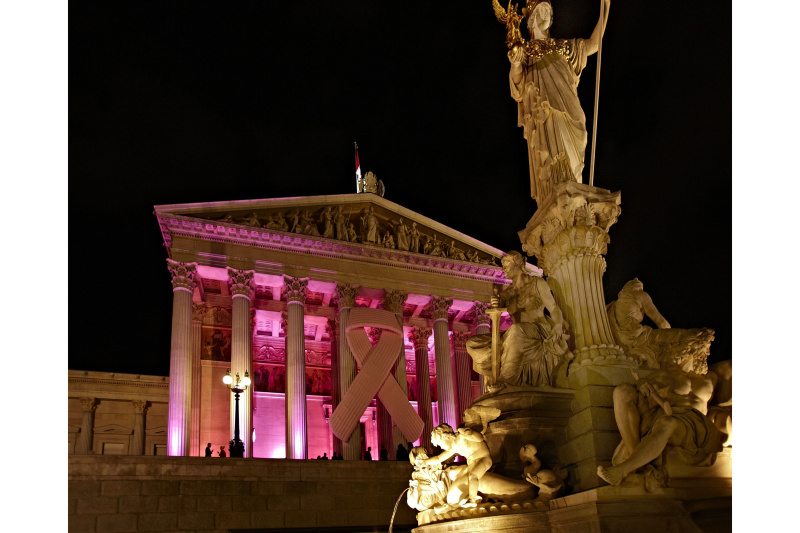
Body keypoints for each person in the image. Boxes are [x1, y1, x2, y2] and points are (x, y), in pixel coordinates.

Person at [507, 0, 610, 204]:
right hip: (545, 111)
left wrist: (605, 8)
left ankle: (573, 192)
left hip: (570, 107)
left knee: (576, 151)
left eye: (548, 11)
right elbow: (518, 84)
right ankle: (560, 194)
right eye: (541, 10)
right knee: (554, 156)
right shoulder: (526, 51)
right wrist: (516, 63)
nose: (546, 14)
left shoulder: (565, 46)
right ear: (531, 19)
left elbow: (594, 44)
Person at [597, 369, 722, 486]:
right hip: (660, 414)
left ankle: (623, 470)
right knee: (622, 391)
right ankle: (637, 461)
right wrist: (642, 383)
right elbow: (645, 388)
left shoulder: (710, 376)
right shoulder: (664, 374)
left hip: (691, 420)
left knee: (669, 423)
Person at [466, 250, 569, 389]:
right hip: (517, 334)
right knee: (473, 343)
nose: (504, 270)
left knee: (515, 330)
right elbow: (496, 306)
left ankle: (507, 380)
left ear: (517, 265)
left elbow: (553, 308)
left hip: (538, 328)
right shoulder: (508, 292)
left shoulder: (537, 283)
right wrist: (496, 302)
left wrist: (557, 324)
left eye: (507, 265)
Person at [607, 279, 715, 370]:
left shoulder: (616, 304)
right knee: (685, 335)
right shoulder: (639, 295)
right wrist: (667, 334)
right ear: (637, 287)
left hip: (625, 338)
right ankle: (693, 365)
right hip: (639, 336)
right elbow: (660, 320)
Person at [416, 424, 493, 508]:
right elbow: (439, 458)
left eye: (440, 444)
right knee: (452, 472)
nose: (441, 447)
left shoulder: (461, 437)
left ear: (445, 437)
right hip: (472, 464)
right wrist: (425, 462)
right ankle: (468, 493)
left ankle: (472, 500)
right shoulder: (453, 448)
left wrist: (471, 433)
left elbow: (480, 438)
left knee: (473, 475)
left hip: (483, 459)